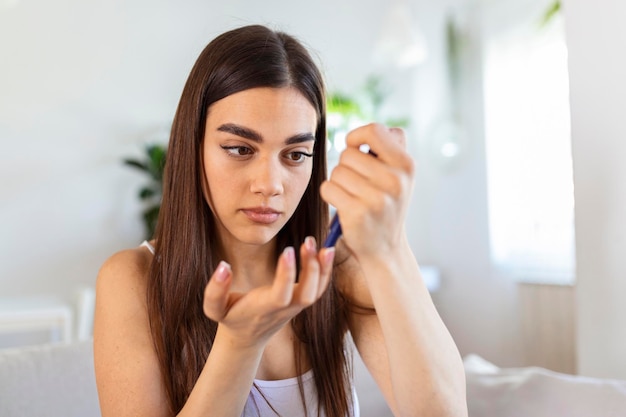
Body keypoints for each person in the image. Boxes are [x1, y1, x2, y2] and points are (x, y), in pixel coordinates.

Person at [93, 24, 468, 417]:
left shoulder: (336, 269)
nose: (270, 185)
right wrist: (239, 344)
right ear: (194, 144)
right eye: (239, 148)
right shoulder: (133, 279)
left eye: (295, 155)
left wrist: (390, 248)